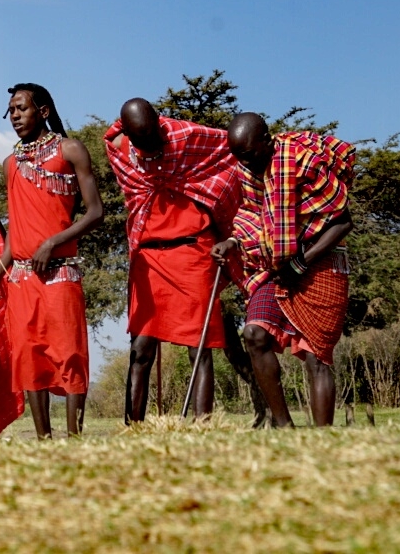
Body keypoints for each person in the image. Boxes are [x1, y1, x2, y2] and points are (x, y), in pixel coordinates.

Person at [104, 98, 241, 422]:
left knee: (200, 346)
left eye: (154, 141)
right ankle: (132, 427)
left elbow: (233, 147)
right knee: (141, 347)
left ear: (160, 125)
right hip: (149, 257)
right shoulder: (120, 148)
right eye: (143, 145)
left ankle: (201, 425)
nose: (150, 151)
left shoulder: (187, 138)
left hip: (193, 253)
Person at [217, 114, 355, 427]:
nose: (245, 163)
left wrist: (300, 261)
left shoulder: (303, 163)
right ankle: (283, 425)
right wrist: (232, 241)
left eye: (249, 155)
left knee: (316, 356)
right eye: (238, 157)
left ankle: (321, 439)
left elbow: (343, 221)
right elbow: (252, 214)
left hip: (320, 259)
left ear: (267, 140)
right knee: (254, 334)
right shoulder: (247, 169)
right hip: (277, 266)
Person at [0, 85, 100, 437]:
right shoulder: (10, 163)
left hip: (60, 271)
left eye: (21, 108)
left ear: (44, 112)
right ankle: (43, 437)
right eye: (11, 111)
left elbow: (96, 212)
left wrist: (53, 242)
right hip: (19, 277)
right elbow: (14, 231)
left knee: (70, 353)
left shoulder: (71, 149)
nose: (15, 116)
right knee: (27, 355)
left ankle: (74, 438)